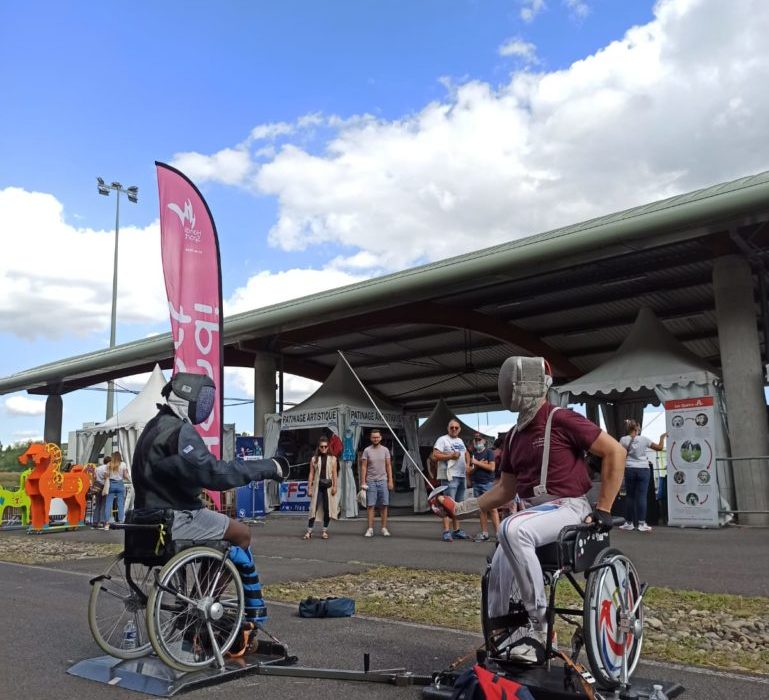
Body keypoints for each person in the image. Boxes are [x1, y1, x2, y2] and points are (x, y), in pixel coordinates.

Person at [431, 356, 626, 664]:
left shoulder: (562, 418)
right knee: (497, 565)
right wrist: (459, 508)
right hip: (534, 514)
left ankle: (540, 629)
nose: (510, 385)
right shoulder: (514, 436)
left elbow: (615, 450)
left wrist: (603, 509)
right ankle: (506, 633)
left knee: (512, 528)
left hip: (569, 508)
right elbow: (505, 490)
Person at [131, 371, 285, 629]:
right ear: (189, 399)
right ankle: (203, 602)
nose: (206, 406)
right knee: (241, 534)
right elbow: (214, 473)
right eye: (203, 400)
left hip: (145, 517)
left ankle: (198, 597)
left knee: (218, 528)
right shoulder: (179, 431)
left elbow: (175, 473)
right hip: (173, 518)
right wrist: (270, 467)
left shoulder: (153, 426)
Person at [619, 420, 667, 533]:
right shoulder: (644, 439)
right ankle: (641, 524)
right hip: (643, 469)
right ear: (638, 428)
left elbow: (619, 453)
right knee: (641, 497)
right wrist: (662, 437)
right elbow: (660, 448)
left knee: (630, 496)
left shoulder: (623, 440)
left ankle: (629, 523)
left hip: (629, 468)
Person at [432, 420, 469, 542]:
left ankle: (457, 530)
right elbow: (435, 455)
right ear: (448, 428)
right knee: (447, 505)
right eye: (452, 427)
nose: (454, 429)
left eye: (456, 427)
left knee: (457, 505)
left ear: (459, 429)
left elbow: (466, 453)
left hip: (461, 476)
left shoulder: (460, 441)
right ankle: (447, 531)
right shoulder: (442, 439)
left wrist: (468, 465)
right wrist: (450, 456)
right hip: (449, 476)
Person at [466, 432, 500, 542]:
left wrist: (477, 463)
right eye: (476, 440)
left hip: (487, 483)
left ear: (484, 441)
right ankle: (485, 533)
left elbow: (492, 468)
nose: (477, 441)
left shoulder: (489, 452)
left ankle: (499, 534)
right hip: (477, 483)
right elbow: (470, 471)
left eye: (479, 440)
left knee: (492, 509)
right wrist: (478, 465)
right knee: (481, 510)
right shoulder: (474, 453)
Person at [303, 436, 339, 540]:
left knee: (327, 509)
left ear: (328, 447)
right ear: (318, 447)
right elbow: (311, 473)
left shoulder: (333, 459)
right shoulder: (314, 459)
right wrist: (309, 488)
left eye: (325, 446)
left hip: (328, 486)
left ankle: (324, 531)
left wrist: (335, 486)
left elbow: (334, 474)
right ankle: (309, 531)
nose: (323, 448)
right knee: (313, 508)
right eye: (321, 447)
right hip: (317, 486)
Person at [360, 428, 393, 537]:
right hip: (370, 481)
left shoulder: (385, 450)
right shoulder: (367, 450)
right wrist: (363, 482)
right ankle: (370, 529)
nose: (375, 439)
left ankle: (384, 528)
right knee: (371, 505)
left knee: (384, 505)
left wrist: (390, 481)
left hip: (383, 480)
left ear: (380, 438)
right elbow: (364, 467)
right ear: (370, 438)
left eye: (377, 437)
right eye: (374, 437)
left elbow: (388, 465)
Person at [101, 451, 131, 529]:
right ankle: (121, 522)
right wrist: (130, 479)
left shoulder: (109, 464)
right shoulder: (123, 464)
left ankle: (107, 523)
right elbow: (125, 475)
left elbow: (105, 476)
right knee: (120, 504)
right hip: (120, 484)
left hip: (111, 484)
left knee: (108, 504)